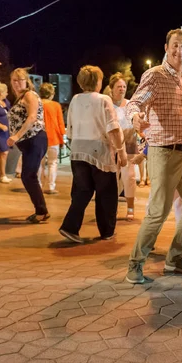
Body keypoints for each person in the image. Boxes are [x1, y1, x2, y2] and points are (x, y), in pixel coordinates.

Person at [125, 29, 182, 284]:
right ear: (166, 47)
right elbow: (134, 103)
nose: (179, 51)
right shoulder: (156, 75)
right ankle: (135, 265)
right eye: (175, 46)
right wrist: (136, 118)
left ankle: (174, 259)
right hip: (163, 153)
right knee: (158, 212)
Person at [59, 66, 127, 243]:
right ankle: (107, 231)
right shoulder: (104, 99)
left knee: (82, 190)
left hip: (78, 149)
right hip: (99, 150)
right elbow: (112, 128)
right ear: (98, 81)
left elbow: (71, 127)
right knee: (107, 193)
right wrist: (121, 151)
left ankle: (70, 226)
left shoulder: (75, 99)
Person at [8, 68, 49, 223]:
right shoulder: (19, 98)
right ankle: (41, 210)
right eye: (14, 80)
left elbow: (32, 117)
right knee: (28, 176)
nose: (17, 83)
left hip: (35, 139)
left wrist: (16, 136)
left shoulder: (29, 95)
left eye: (20, 79)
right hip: (28, 142)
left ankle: (41, 212)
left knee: (28, 176)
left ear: (27, 81)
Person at [108, 72, 137, 221]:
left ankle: (130, 208)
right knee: (112, 178)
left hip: (129, 144)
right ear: (111, 88)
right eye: (119, 86)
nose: (122, 89)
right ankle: (112, 209)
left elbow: (135, 123)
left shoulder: (130, 104)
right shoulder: (107, 104)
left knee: (129, 177)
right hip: (111, 146)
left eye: (124, 86)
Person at [39, 83, 65, 195]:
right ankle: (50, 186)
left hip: (39, 137)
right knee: (52, 163)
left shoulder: (37, 104)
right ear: (52, 94)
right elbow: (60, 123)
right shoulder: (56, 105)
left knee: (40, 163)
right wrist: (62, 137)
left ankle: (38, 186)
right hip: (53, 138)